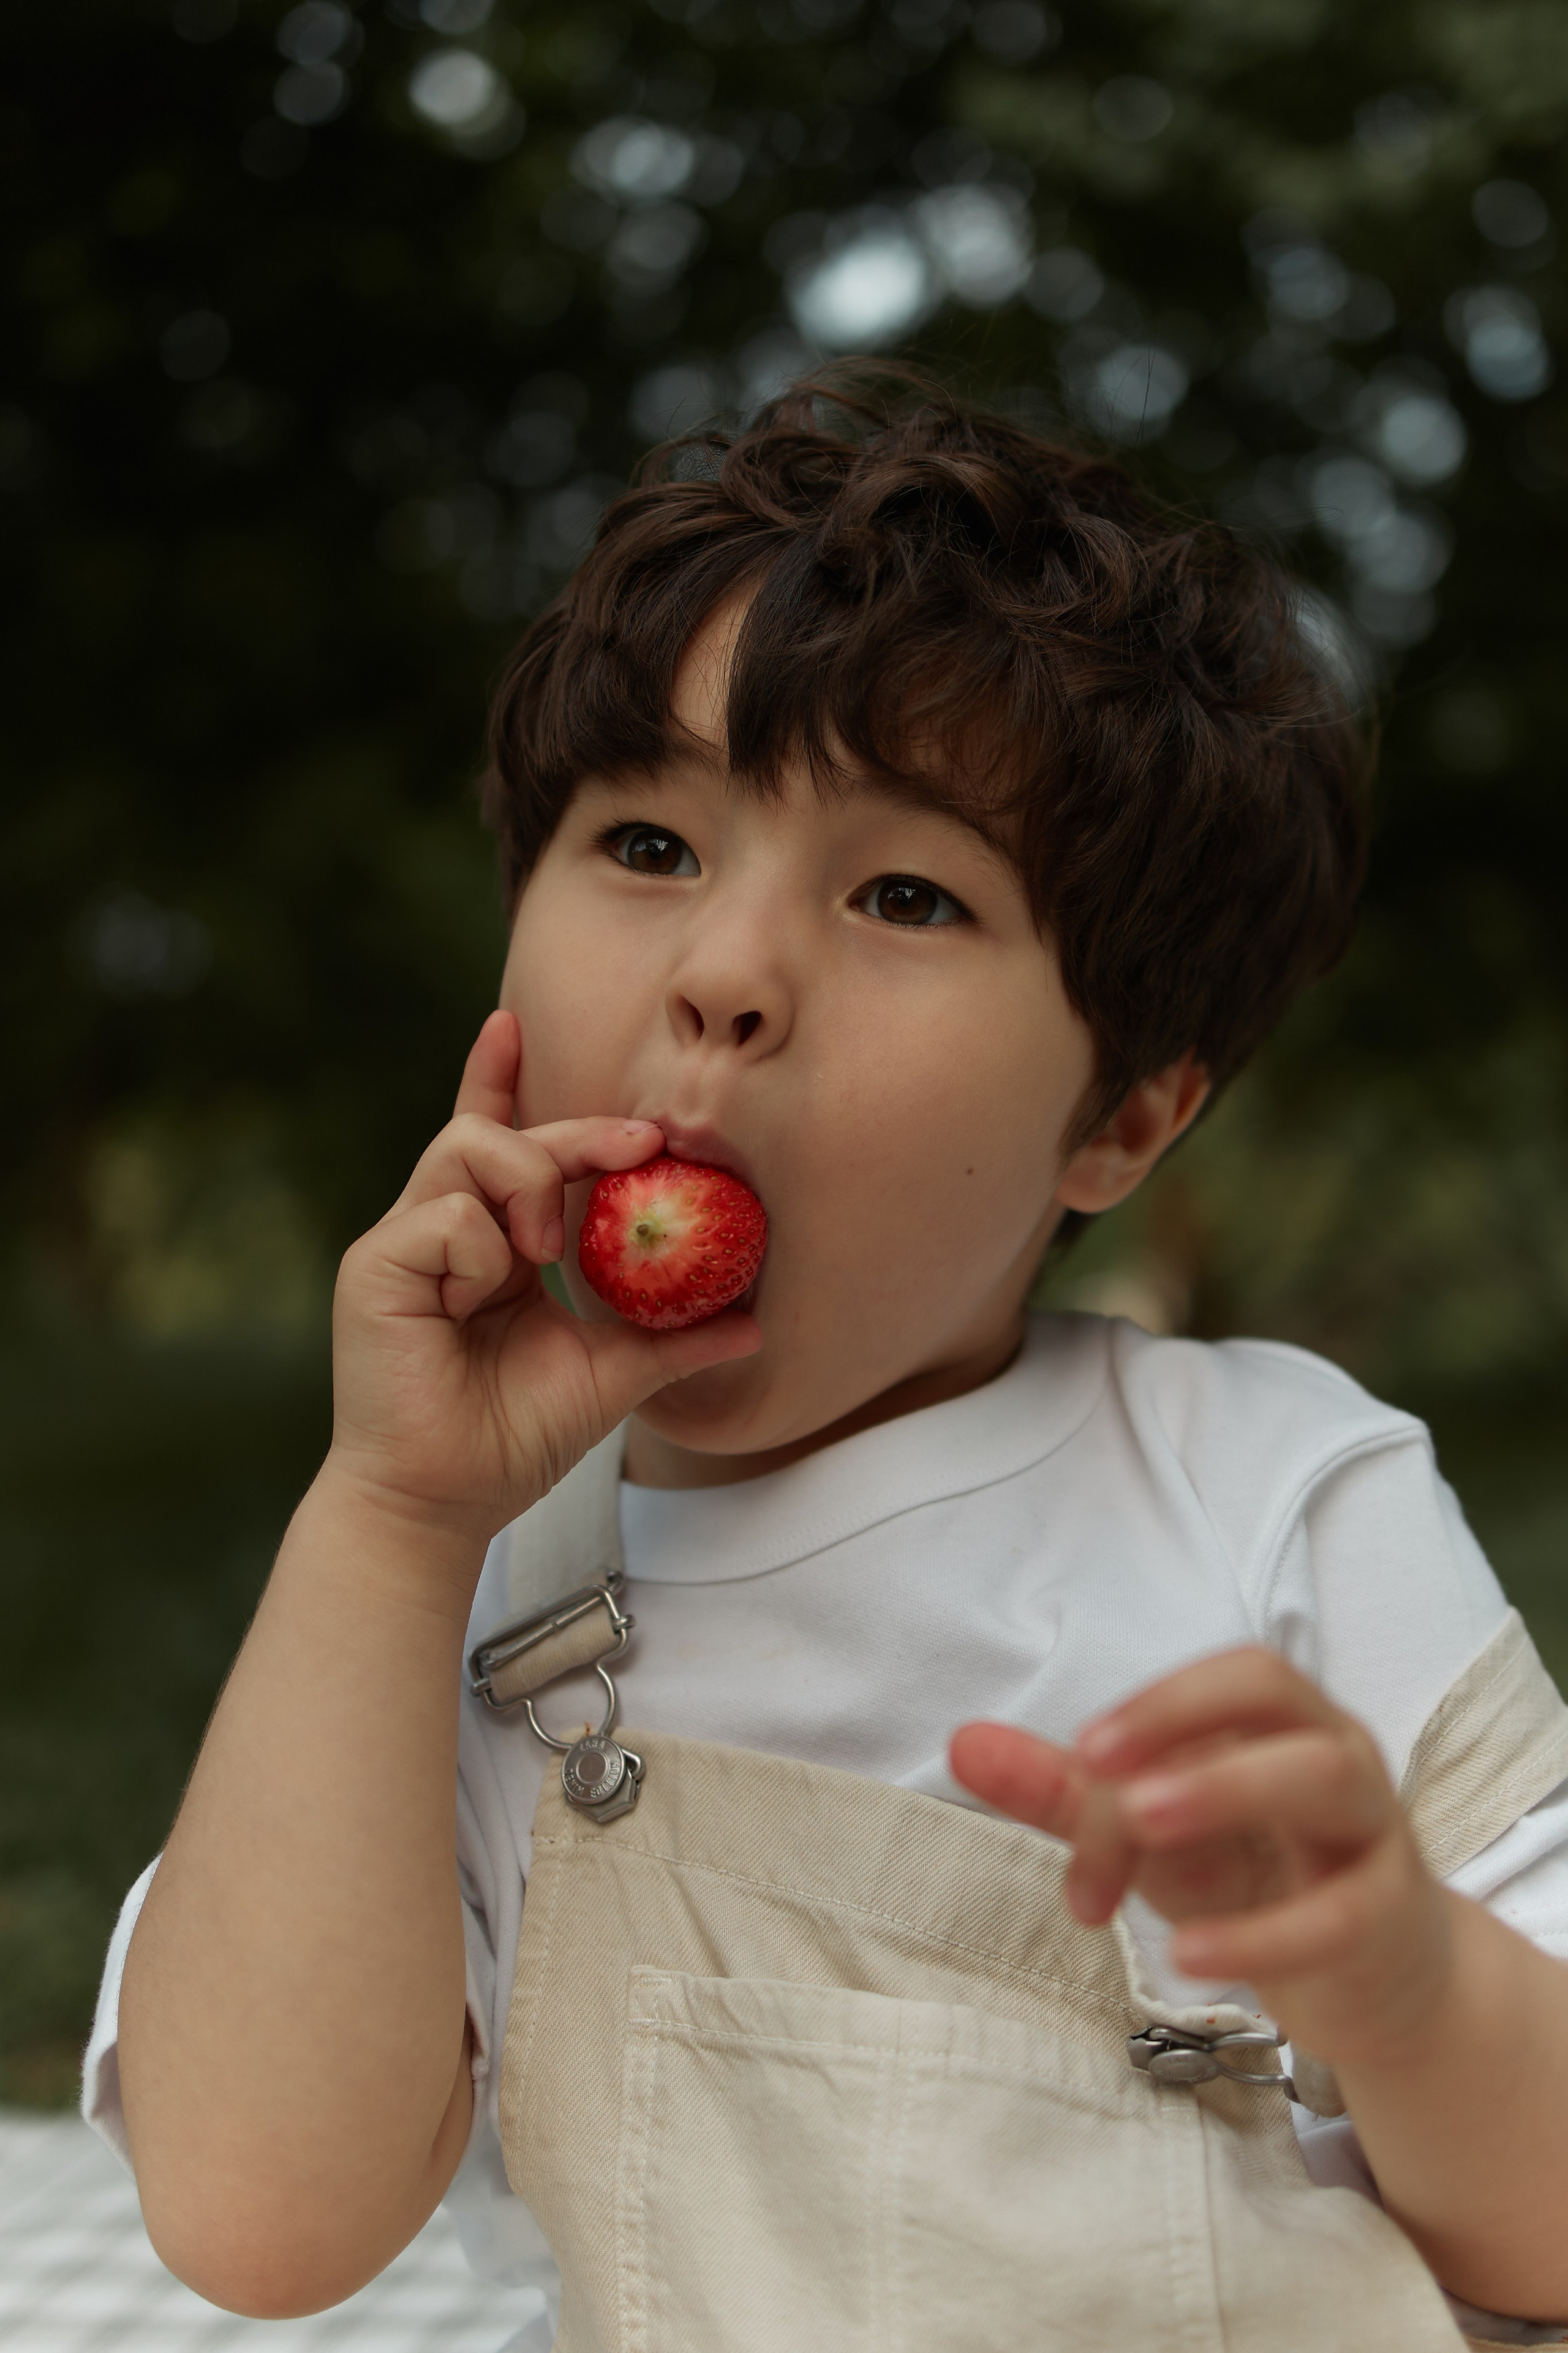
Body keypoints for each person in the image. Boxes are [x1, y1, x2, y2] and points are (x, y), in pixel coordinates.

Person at [84, 373, 1568, 2351]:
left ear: (1122, 1116)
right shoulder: (465, 1577)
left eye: (903, 893)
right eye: (645, 841)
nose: (723, 973)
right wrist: (389, 1515)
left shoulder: (1269, 1489)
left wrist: (1400, 1977)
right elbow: (258, 2219)